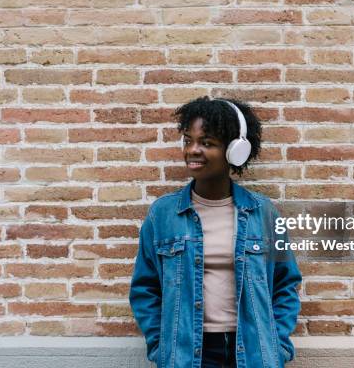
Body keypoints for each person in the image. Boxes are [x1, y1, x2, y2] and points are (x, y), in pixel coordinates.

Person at [129, 96, 301, 368]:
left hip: (253, 352)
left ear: (235, 151)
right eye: (188, 140)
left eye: (206, 143)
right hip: (187, 355)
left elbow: (285, 284)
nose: (193, 150)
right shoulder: (163, 215)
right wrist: (160, 347)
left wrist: (276, 345)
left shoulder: (264, 213)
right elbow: (145, 289)